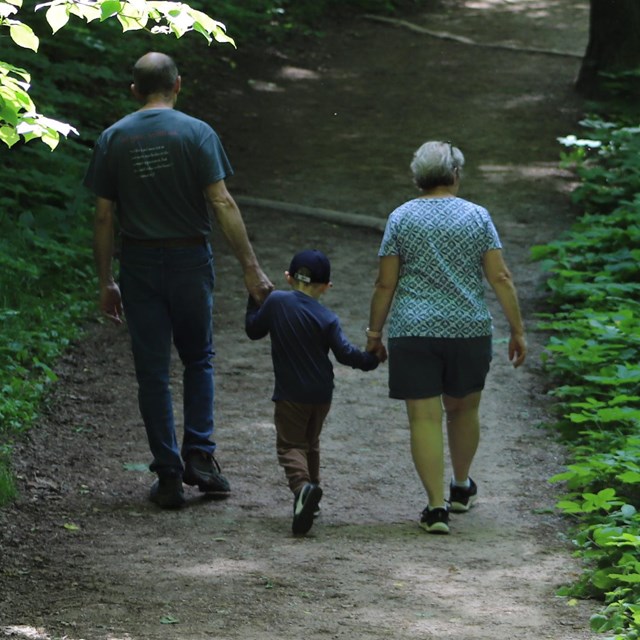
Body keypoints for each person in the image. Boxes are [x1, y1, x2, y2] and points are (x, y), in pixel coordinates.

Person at [83, 51, 273, 509]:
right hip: (190, 259)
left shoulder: (113, 138)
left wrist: (107, 280)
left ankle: (168, 474)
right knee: (198, 360)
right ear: (178, 85)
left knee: (151, 373)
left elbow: (104, 216)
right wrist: (251, 267)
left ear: (134, 90)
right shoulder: (197, 133)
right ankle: (201, 459)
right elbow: (222, 202)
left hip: (140, 265)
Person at [366, 141, 526, 534]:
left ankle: (435, 508)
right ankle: (460, 487)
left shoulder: (401, 218)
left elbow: (385, 284)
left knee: (423, 418)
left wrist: (374, 333)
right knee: (463, 410)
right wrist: (517, 329)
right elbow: (500, 277)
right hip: (467, 329)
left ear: (418, 176)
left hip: (413, 330)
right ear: (455, 174)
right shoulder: (477, 217)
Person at [245, 249, 382, 535]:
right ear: (326, 286)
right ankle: (311, 496)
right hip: (321, 393)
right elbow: (345, 355)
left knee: (289, 445)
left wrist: (252, 298)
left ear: (288, 277)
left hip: (290, 393)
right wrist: (371, 360)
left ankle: (302, 488)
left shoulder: (277, 301)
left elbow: (254, 330)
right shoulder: (327, 317)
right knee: (311, 442)